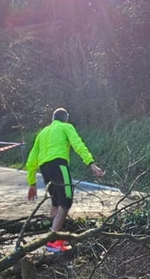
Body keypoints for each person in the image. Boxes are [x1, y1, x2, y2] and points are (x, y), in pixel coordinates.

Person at [26, 108, 104, 252]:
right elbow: (77, 144)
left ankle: (52, 239)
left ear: (53, 118)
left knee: (55, 202)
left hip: (44, 168)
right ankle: (52, 242)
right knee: (66, 201)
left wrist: (32, 183)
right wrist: (91, 163)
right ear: (66, 118)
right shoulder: (66, 127)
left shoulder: (42, 133)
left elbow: (31, 159)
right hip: (59, 165)